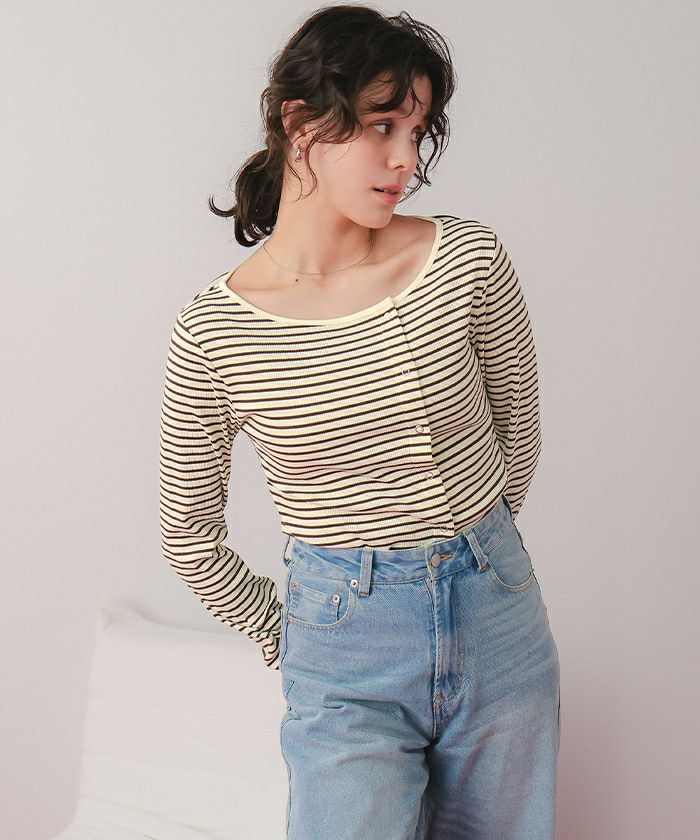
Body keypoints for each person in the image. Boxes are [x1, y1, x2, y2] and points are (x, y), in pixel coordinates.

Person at [158, 5, 560, 839]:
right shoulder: (215, 330)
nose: (405, 159)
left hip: (500, 616)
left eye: (417, 131)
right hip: (344, 648)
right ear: (299, 123)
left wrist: (473, 553)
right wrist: (294, 631)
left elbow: (517, 433)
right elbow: (188, 533)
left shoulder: (467, 259)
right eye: (382, 125)